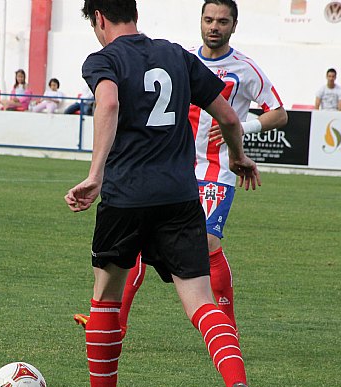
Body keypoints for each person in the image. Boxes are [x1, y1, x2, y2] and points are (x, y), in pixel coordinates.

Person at [66, 1, 261, 387]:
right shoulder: (177, 54)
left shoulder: (103, 60)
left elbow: (109, 105)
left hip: (125, 198)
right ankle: (237, 385)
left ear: (99, 17)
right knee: (201, 303)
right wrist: (239, 157)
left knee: (105, 299)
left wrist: (95, 175)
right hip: (179, 198)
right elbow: (228, 115)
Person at [75, 0, 288, 339]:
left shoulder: (245, 68)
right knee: (139, 248)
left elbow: (277, 113)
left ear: (234, 25)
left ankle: (224, 322)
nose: (214, 26)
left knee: (208, 243)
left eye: (222, 21)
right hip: (179, 168)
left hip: (217, 168)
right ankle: (117, 320)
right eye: (208, 19)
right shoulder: (180, 57)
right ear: (201, 22)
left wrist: (242, 134)